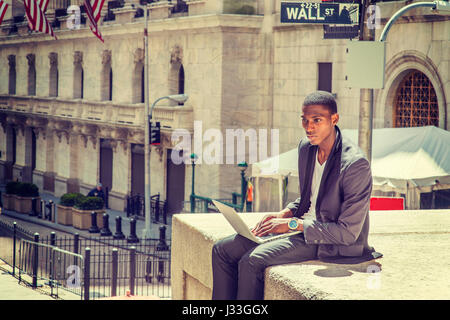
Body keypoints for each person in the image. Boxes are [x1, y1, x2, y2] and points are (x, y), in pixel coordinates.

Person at [211, 91, 381, 300]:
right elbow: (310, 197)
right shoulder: (307, 148)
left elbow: (348, 233)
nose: (309, 128)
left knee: (251, 260)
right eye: (305, 121)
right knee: (222, 249)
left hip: (328, 243)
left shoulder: (355, 165)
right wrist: (283, 214)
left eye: (317, 121)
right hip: (300, 227)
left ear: (334, 119)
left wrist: (293, 225)